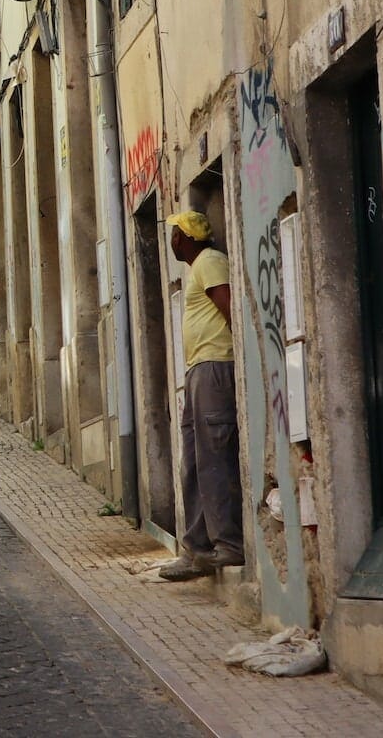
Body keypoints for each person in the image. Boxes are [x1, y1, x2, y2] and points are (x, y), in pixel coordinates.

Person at [160, 211, 244, 581]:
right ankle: (196, 549)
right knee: (193, 462)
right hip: (198, 370)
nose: (172, 240)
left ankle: (228, 544)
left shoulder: (210, 262)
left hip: (215, 367)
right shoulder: (197, 267)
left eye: (175, 233)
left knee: (213, 456)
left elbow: (230, 309)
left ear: (187, 237)